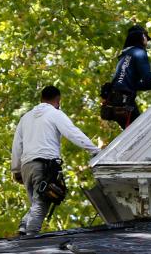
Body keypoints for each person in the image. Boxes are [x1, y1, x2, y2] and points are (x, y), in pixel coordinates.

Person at [11, 85, 100, 236]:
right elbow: (73, 133)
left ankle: (24, 226)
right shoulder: (55, 114)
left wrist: (16, 169)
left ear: (41, 99)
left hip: (26, 165)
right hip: (45, 165)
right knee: (42, 202)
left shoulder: (25, 118)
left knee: (36, 202)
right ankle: (30, 238)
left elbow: (17, 145)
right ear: (58, 100)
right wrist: (95, 150)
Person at [101, 25, 151, 129]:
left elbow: (134, 84)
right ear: (141, 37)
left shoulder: (125, 54)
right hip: (124, 103)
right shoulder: (139, 53)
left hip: (114, 103)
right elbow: (147, 77)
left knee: (133, 133)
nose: (147, 41)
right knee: (141, 132)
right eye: (146, 37)